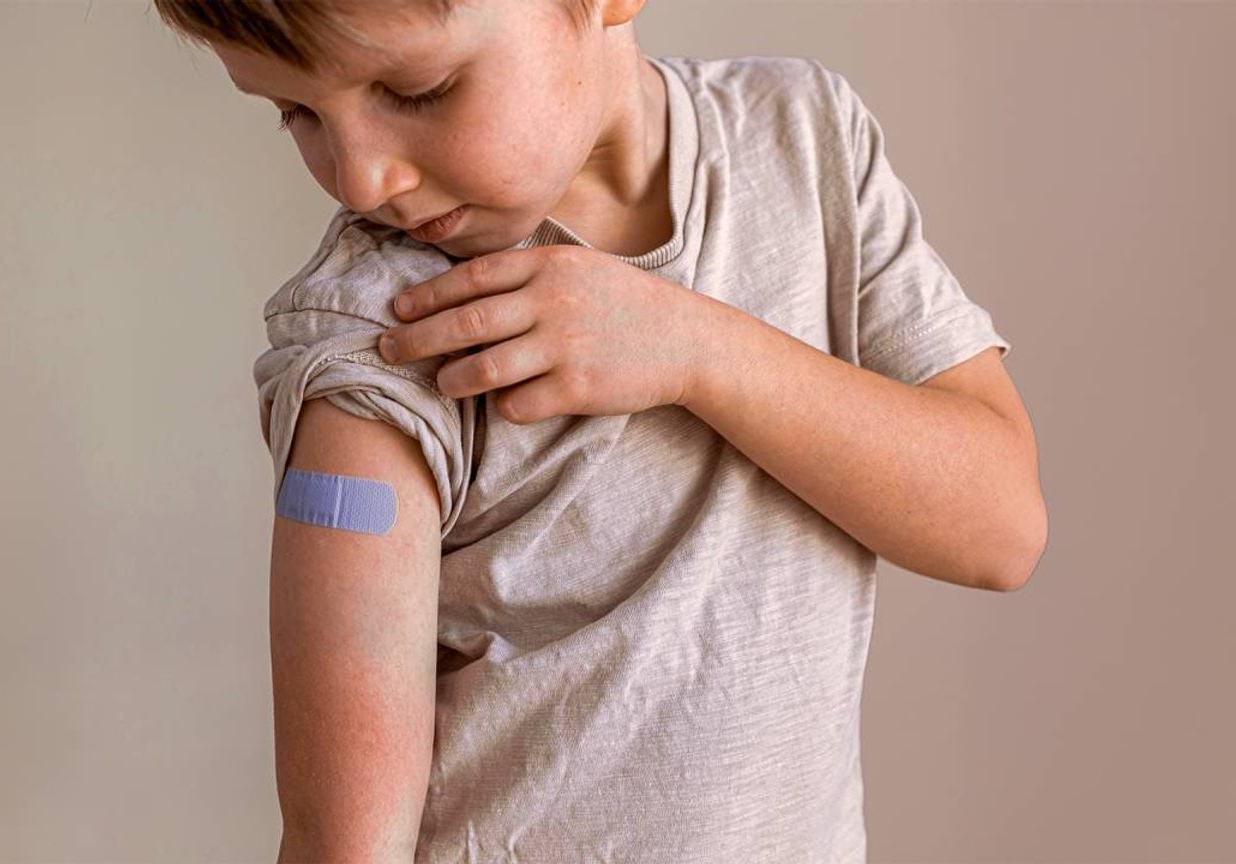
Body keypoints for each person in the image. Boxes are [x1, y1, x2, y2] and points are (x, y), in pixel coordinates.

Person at [153, 0, 1047, 860]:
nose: (360, 178)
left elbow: (1000, 529)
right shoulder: (387, 347)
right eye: (295, 113)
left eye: (418, 90)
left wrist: (697, 348)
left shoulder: (806, 143)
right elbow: (344, 846)